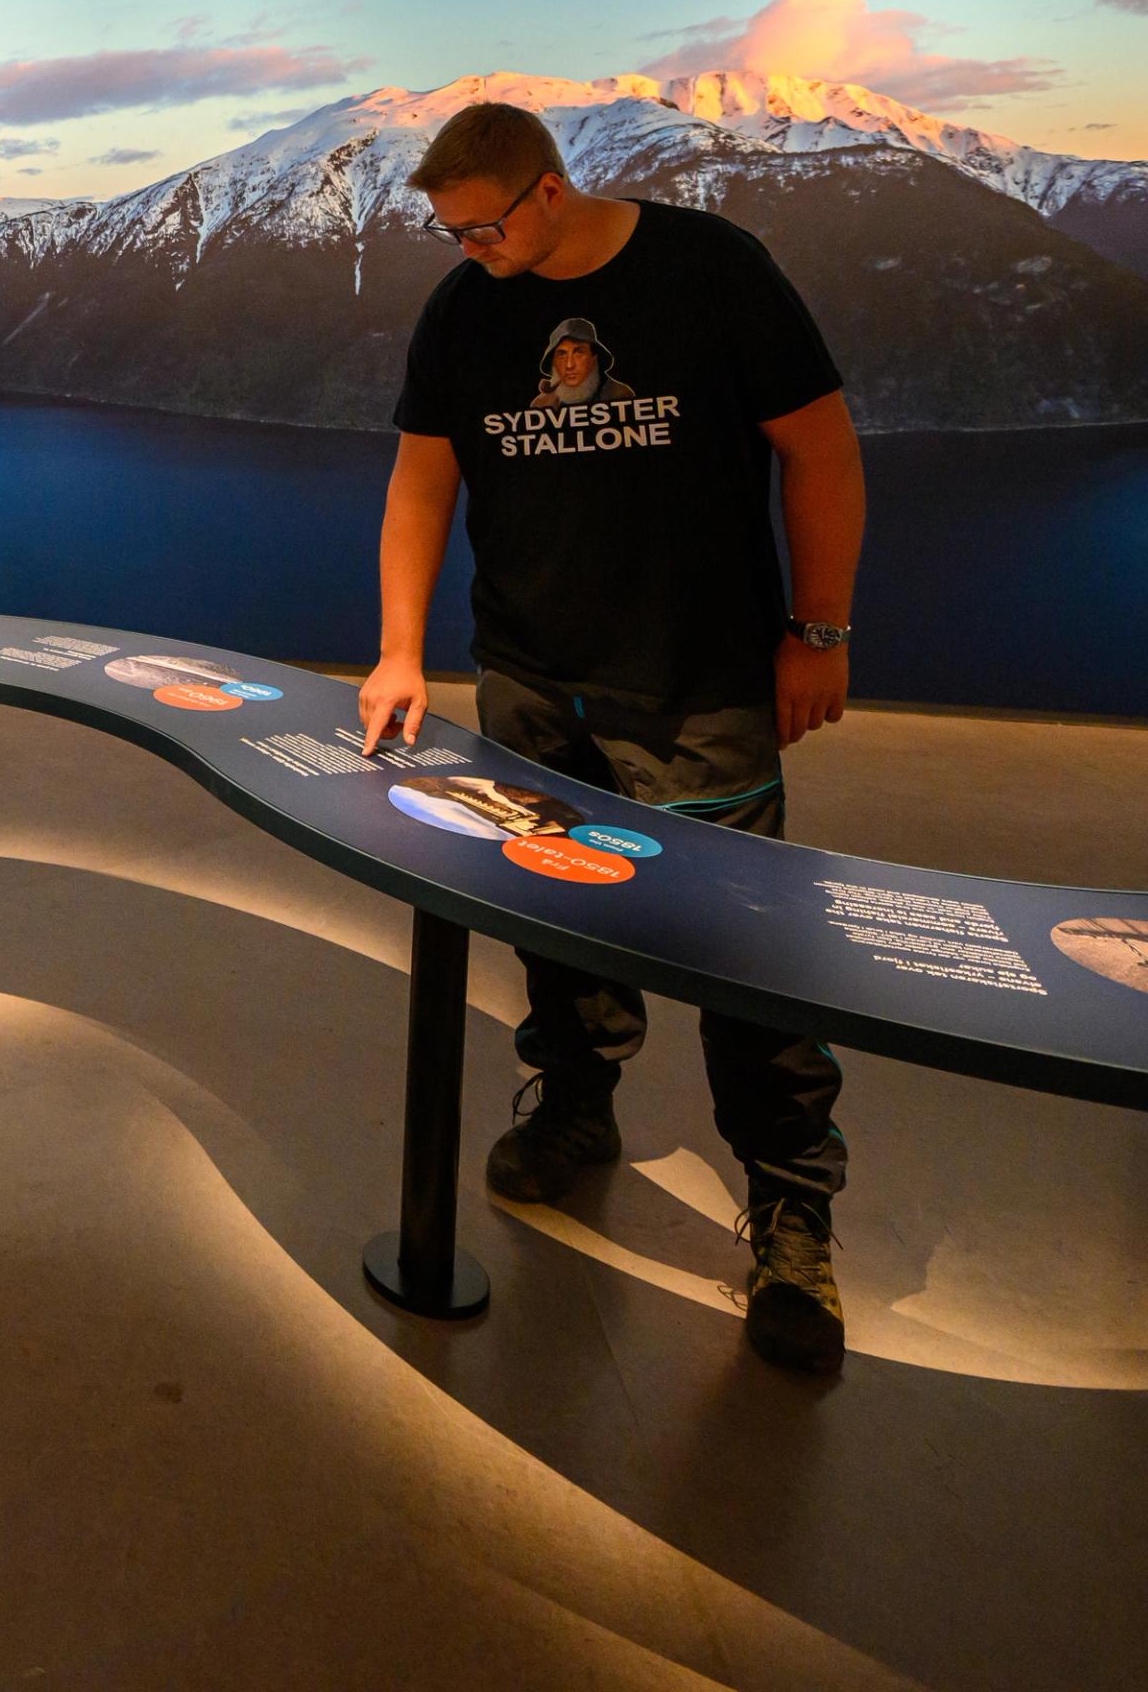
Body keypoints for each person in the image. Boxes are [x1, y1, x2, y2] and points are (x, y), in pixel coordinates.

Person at [355, 100, 868, 1375]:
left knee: (743, 952)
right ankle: (579, 1107)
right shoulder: (464, 310)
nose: (466, 249)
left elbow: (820, 446)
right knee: (555, 919)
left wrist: (819, 628)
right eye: (448, 231)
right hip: (532, 682)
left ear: (545, 191)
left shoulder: (710, 269)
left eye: (481, 227)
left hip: (696, 686)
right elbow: (424, 478)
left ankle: (794, 1211)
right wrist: (403, 648)